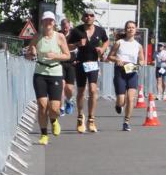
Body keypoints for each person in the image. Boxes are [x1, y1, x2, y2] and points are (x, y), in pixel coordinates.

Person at [25, 11, 71, 145]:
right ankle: (44, 134)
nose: (48, 23)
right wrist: (31, 52)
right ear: (42, 22)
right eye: (46, 20)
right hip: (40, 73)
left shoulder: (60, 37)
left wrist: (55, 56)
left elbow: (67, 55)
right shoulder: (37, 37)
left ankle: (54, 120)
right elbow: (28, 54)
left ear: (54, 23)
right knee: (42, 105)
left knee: (54, 107)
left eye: (51, 20)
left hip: (55, 73)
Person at [67, 9, 109, 133]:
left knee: (92, 89)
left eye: (91, 15)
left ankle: (91, 119)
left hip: (93, 64)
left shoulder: (100, 30)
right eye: (86, 15)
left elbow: (106, 41)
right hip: (80, 63)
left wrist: (102, 49)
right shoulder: (76, 30)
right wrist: (78, 44)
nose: (89, 17)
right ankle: (80, 117)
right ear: (82, 17)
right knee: (80, 91)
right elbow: (66, 45)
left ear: (94, 18)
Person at [107, 20, 145, 131]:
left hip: (132, 71)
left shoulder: (138, 46)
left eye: (133, 27)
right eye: (128, 27)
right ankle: (118, 105)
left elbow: (142, 60)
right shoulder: (119, 42)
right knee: (121, 100)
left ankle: (126, 121)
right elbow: (110, 57)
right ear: (125, 29)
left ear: (136, 30)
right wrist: (117, 59)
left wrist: (140, 63)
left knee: (130, 98)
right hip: (120, 71)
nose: (130, 29)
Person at [59, 17, 77, 115]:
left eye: (67, 27)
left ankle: (69, 101)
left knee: (69, 88)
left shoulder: (74, 35)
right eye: (63, 27)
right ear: (61, 26)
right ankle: (61, 107)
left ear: (69, 26)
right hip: (61, 63)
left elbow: (80, 47)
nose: (65, 29)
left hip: (71, 64)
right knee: (62, 84)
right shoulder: (58, 35)